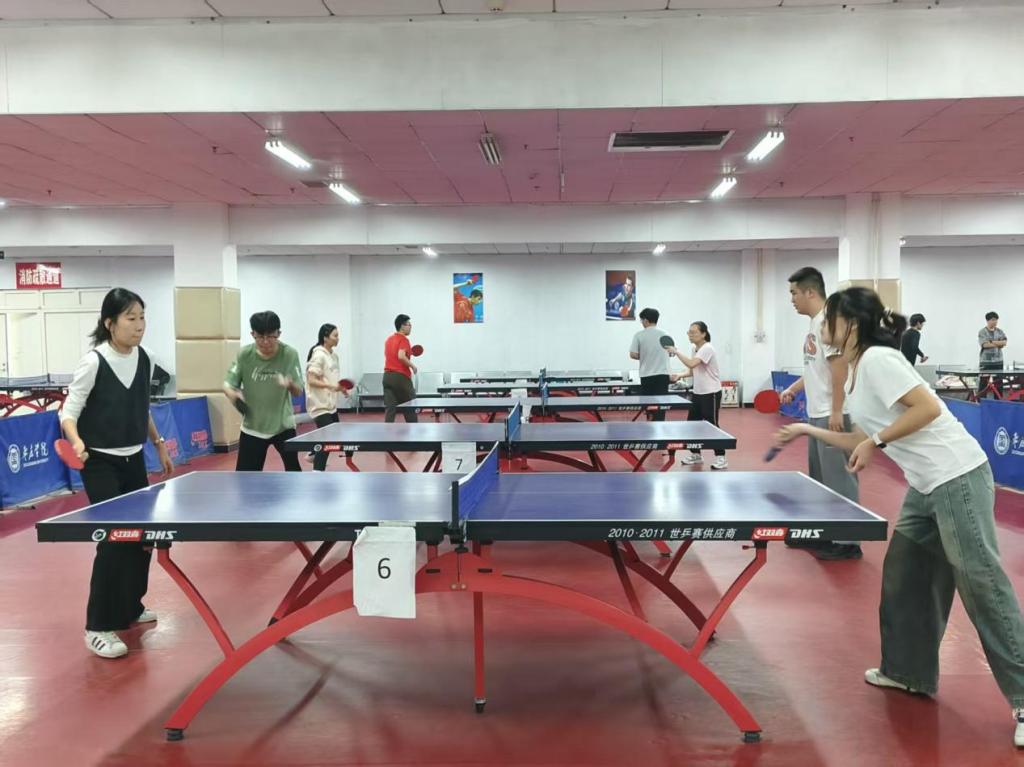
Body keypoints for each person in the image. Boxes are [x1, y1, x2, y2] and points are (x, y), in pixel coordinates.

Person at [774, 286, 1024, 749]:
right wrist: (807, 429)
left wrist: (877, 442)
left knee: (982, 583)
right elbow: (862, 437)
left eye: (830, 317)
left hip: (957, 476)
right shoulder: (854, 372)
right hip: (925, 485)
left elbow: (927, 408)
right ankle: (908, 672)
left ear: (850, 324)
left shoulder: (878, 360)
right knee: (905, 575)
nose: (823, 325)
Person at [60, 288, 174, 659]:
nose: (139, 325)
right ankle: (97, 626)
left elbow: (141, 407)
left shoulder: (146, 358)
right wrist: (76, 440)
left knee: (142, 538)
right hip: (100, 463)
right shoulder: (94, 362)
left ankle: (130, 605)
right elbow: (68, 412)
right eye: (131, 318)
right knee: (113, 539)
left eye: (142, 317)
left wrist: (158, 442)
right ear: (110, 323)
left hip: (133, 458)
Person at [779, 267, 862, 561]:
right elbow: (817, 368)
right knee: (820, 480)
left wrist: (837, 411)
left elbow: (839, 369)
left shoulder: (829, 320)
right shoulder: (815, 323)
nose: (792, 299)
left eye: (794, 293)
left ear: (810, 292)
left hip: (832, 414)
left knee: (839, 480)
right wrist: (794, 388)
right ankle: (824, 533)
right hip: (817, 413)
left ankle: (848, 542)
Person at [223, 310, 304, 472]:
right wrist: (235, 397)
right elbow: (228, 385)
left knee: (295, 474)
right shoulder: (244, 355)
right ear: (252, 334)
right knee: (245, 480)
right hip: (252, 428)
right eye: (260, 337)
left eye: (271, 336)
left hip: (283, 426)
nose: (266, 342)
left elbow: (298, 391)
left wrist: (290, 385)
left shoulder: (289, 354)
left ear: (278, 333)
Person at [669, 321, 727, 470]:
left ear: (703, 334)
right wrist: (679, 375)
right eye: (689, 332)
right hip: (698, 392)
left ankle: (721, 457)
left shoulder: (707, 348)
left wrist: (676, 352)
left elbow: (691, 363)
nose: (690, 335)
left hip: (711, 393)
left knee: (712, 425)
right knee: (692, 425)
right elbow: (692, 370)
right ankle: (696, 455)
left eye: (693, 332)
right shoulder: (694, 348)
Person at [305, 323, 349, 471]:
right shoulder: (318, 355)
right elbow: (311, 380)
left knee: (335, 436)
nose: (338, 338)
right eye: (335, 335)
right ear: (325, 337)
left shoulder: (334, 356)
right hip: (319, 405)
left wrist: (341, 388)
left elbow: (331, 379)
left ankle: (312, 453)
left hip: (331, 406)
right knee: (327, 442)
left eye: (338, 335)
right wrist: (331, 387)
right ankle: (317, 472)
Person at [629, 307, 669, 422]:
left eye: (641, 320)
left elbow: (633, 354)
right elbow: (671, 352)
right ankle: (660, 425)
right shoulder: (665, 334)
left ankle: (650, 425)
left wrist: (645, 356)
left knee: (649, 405)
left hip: (647, 375)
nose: (641, 323)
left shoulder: (639, 335)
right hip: (663, 375)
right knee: (661, 406)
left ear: (646, 320)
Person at [383, 314, 419, 423]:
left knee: (390, 409)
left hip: (387, 377)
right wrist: (413, 366)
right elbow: (401, 356)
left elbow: (393, 355)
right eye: (408, 324)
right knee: (410, 406)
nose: (410, 326)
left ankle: (386, 430)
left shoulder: (389, 340)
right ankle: (415, 429)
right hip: (401, 377)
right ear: (402, 326)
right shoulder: (404, 340)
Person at [979, 311, 1009, 397]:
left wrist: (991, 341)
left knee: (999, 383)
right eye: (993, 320)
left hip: (998, 362)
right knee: (983, 383)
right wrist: (998, 343)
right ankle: (982, 400)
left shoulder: (1000, 331)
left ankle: (999, 401)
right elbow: (985, 345)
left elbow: (1004, 343)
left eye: (996, 320)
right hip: (986, 362)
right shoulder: (982, 332)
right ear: (987, 321)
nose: (995, 322)